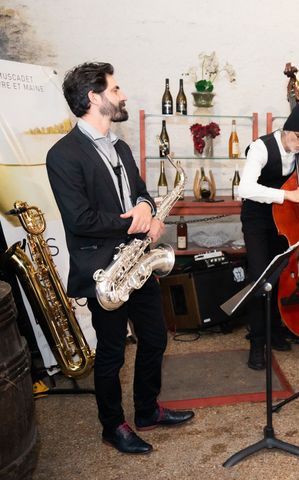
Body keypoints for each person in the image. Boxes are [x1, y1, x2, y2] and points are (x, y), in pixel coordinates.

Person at [46, 62, 193, 455]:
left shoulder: (121, 146)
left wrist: (147, 209)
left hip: (137, 263)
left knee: (155, 339)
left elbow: (141, 193)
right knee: (111, 353)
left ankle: (147, 410)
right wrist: (136, 223)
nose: (122, 94)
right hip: (103, 271)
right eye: (115, 89)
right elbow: (80, 219)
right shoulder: (62, 155)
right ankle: (114, 426)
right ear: (94, 98)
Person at [238, 103, 299, 370]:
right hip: (258, 219)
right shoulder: (261, 147)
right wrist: (287, 195)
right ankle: (257, 343)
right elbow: (245, 188)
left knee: (281, 276)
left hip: (287, 221)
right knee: (259, 277)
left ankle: (275, 329)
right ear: (286, 131)